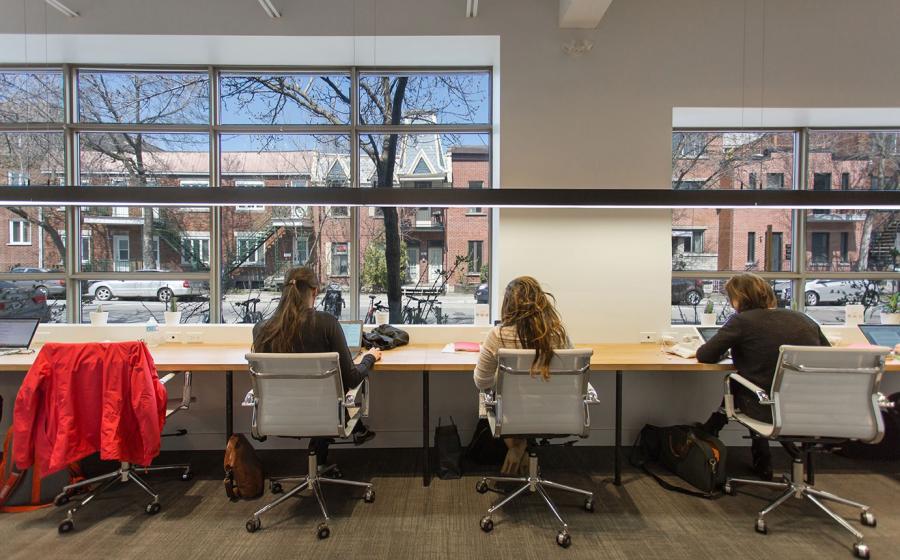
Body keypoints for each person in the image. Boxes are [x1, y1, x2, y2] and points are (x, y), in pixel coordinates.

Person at [697, 273, 829, 480]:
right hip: (811, 408)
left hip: (764, 408)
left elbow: (705, 355)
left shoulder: (742, 321)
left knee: (741, 384)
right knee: (754, 384)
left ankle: (708, 434)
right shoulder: (803, 319)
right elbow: (827, 356)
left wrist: (727, 351)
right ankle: (757, 454)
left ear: (738, 299)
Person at [252, 266, 381, 468]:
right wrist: (369, 358)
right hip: (325, 414)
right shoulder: (326, 323)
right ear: (314, 292)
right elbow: (352, 378)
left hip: (277, 415)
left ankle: (319, 460)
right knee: (333, 393)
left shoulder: (261, 330)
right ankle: (348, 437)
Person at [473, 276, 572, 477]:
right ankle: (522, 448)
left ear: (508, 304)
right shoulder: (558, 334)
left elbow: (481, 381)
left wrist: (504, 382)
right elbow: (569, 377)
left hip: (512, 416)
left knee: (491, 396)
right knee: (515, 400)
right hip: (557, 413)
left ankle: (517, 447)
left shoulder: (498, 335)